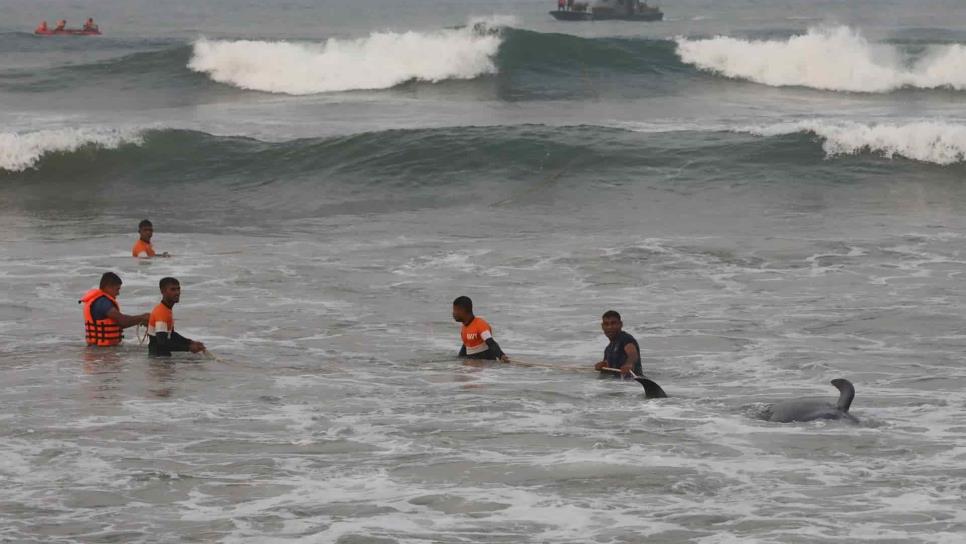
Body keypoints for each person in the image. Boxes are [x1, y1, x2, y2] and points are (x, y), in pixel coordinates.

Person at [79, 272, 149, 347]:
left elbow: (119, 323)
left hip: (98, 351)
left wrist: (140, 320)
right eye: (117, 289)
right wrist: (143, 317)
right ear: (108, 286)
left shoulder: (99, 300)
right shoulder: (102, 302)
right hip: (101, 352)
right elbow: (123, 321)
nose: (118, 293)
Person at [147, 277, 206, 357]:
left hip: (161, 357)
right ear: (163, 291)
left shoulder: (166, 309)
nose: (177, 292)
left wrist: (190, 342)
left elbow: (171, 335)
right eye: (173, 289)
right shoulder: (161, 312)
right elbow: (162, 343)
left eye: (178, 289)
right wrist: (188, 348)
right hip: (158, 361)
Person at [452, 296, 510, 362]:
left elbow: (490, 342)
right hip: (473, 366)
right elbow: (466, 347)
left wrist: (501, 355)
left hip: (486, 367)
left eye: (455, 310)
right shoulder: (464, 328)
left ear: (463, 310)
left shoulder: (480, 324)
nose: (453, 313)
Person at [593, 310, 643, 378]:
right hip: (618, 386)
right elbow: (608, 367)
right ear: (602, 326)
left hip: (635, 384)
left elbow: (633, 355)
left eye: (613, 323)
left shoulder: (626, 339)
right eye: (606, 324)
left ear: (620, 324)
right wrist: (602, 365)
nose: (609, 327)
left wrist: (629, 364)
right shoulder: (608, 348)